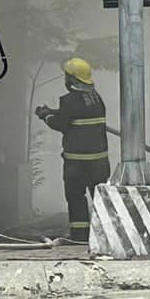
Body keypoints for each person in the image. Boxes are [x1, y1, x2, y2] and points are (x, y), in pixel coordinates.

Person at [36, 57, 108, 245]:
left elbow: (61, 125)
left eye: (67, 76)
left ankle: (80, 235)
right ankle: (107, 233)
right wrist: (55, 111)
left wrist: (46, 115)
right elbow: (75, 115)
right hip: (100, 162)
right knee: (100, 198)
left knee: (75, 197)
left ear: (73, 79)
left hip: (77, 162)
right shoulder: (96, 98)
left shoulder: (68, 100)